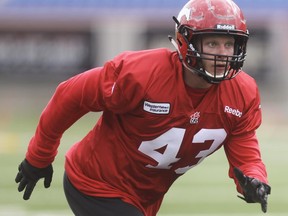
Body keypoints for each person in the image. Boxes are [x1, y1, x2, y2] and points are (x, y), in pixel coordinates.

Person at [15, 0, 271, 215]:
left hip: (145, 198)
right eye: (213, 44)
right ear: (187, 42)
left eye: (229, 45)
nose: (222, 54)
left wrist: (254, 179)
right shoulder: (142, 74)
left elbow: (245, 149)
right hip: (95, 184)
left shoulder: (242, 92)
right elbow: (69, 96)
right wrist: (39, 156)